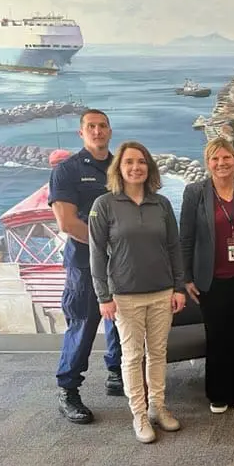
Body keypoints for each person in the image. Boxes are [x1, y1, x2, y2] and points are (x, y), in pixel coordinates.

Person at [89, 141, 186, 443]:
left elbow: (174, 248)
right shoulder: (104, 205)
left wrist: (179, 287)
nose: (136, 167)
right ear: (119, 167)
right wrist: (103, 296)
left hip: (161, 292)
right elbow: (96, 254)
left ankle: (158, 407)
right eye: (129, 162)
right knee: (132, 357)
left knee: (157, 354)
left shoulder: (162, 204)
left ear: (149, 167)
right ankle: (139, 415)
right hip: (125, 295)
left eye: (141, 161)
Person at [48, 109, 123, 424]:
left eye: (102, 126)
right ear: (81, 133)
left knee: (122, 316)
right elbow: (66, 221)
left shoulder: (121, 166)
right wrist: (105, 247)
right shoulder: (67, 170)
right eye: (91, 126)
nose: (97, 131)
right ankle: (68, 390)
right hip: (85, 262)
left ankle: (117, 371)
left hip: (123, 260)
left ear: (109, 130)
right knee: (84, 321)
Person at [179, 138, 234, 414]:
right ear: (207, 163)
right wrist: (186, 277)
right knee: (216, 335)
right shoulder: (195, 193)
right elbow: (185, 238)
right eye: (215, 159)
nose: (221, 163)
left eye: (226, 158)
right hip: (209, 278)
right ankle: (217, 392)